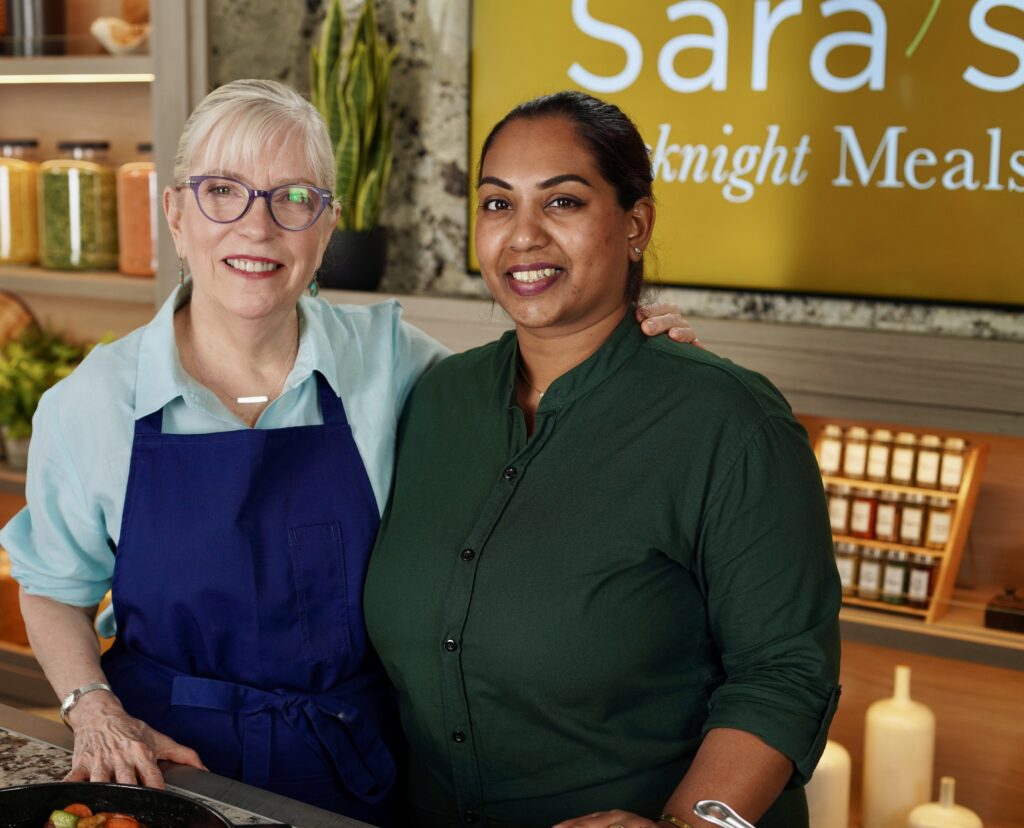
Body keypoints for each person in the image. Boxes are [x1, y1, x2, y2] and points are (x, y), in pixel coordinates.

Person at [0, 80, 695, 822]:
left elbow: (542, 384)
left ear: (327, 224)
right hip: (166, 771)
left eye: (294, 198)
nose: (258, 228)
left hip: (357, 770)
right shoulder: (93, 402)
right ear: (175, 213)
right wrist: (93, 708)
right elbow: (51, 585)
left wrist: (624, 345)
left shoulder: (395, 362)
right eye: (222, 191)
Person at [364, 90, 842, 828]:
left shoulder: (730, 422)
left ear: (635, 224)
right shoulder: (436, 399)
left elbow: (785, 674)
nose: (522, 236)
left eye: (562, 203)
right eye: (497, 205)